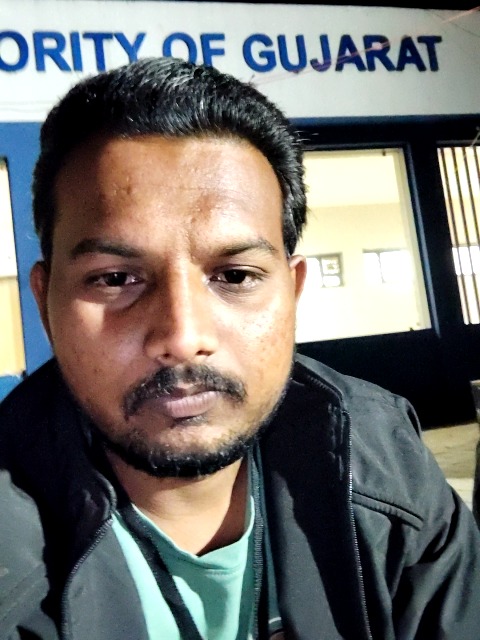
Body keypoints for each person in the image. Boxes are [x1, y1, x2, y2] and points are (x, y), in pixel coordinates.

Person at [0, 57, 479, 640]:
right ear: (46, 302)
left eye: (235, 276)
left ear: (293, 293)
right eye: (115, 279)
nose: (183, 337)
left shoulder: (382, 461)